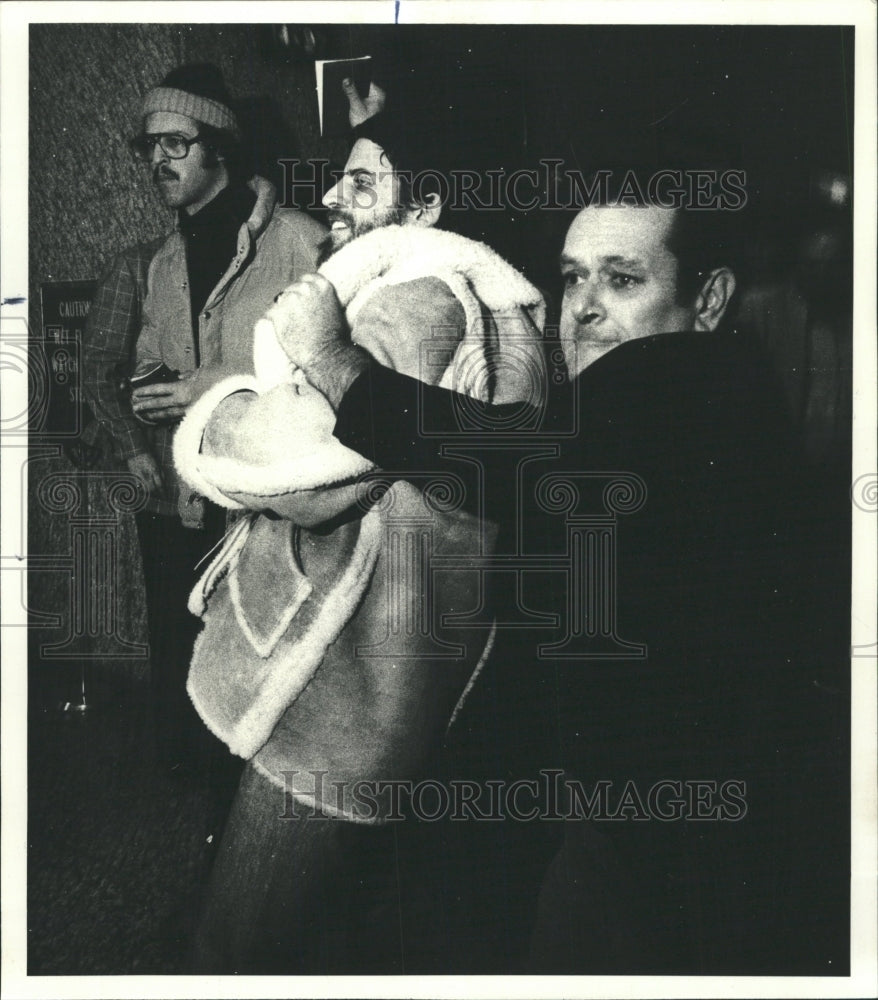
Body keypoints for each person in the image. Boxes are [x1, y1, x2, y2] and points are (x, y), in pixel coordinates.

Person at [267, 193, 848, 974]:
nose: (585, 309)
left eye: (623, 280)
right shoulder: (713, 386)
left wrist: (335, 358)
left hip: (670, 825)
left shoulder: (679, 387)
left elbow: (514, 458)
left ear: (707, 299)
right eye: (574, 279)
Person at [170, 87, 547, 973]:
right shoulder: (495, 302)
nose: (333, 199)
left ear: (425, 208)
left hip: (333, 699)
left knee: (239, 947)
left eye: (361, 184)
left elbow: (299, 469)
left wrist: (214, 410)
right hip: (387, 691)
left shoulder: (418, 295)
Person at [83, 63, 325, 787]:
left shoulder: (300, 243)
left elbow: (330, 387)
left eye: (177, 143)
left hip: (264, 511)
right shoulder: (161, 263)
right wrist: (148, 395)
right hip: (182, 506)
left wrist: (207, 390)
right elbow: (147, 365)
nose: (159, 159)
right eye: (150, 145)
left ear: (221, 146)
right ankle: (206, 826)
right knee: (191, 680)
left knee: (268, 684)